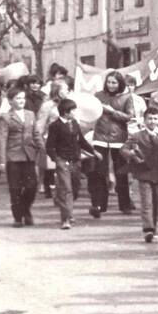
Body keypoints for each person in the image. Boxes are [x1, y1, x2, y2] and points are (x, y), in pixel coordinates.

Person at [45, 97, 97, 229]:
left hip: (75, 160)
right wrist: (56, 159)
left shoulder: (74, 124)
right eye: (74, 110)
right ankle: (66, 218)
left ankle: (67, 208)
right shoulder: (55, 126)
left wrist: (94, 152)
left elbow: (82, 142)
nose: (76, 112)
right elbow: (50, 146)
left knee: (75, 187)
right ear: (66, 112)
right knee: (66, 189)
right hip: (62, 160)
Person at [87, 71, 134, 218]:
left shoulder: (127, 98)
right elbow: (91, 113)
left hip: (118, 138)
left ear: (120, 84)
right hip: (100, 136)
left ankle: (125, 204)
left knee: (121, 172)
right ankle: (99, 205)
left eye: (114, 83)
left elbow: (129, 117)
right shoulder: (98, 96)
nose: (111, 85)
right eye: (109, 82)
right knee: (99, 171)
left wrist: (113, 111)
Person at [0, 86, 44, 227]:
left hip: (29, 156)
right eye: (18, 98)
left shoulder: (30, 114)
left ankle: (26, 209)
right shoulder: (6, 117)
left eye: (23, 98)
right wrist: (2, 161)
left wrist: (42, 148)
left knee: (32, 186)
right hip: (13, 157)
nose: (21, 101)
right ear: (10, 101)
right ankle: (18, 217)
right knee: (15, 188)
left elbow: (36, 133)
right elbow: (1, 139)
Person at [122, 108, 158, 242]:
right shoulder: (137, 136)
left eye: (155, 119)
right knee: (147, 202)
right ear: (144, 120)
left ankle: (154, 227)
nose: (152, 121)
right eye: (149, 118)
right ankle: (148, 229)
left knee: (156, 202)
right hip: (144, 173)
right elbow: (124, 149)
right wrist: (132, 155)